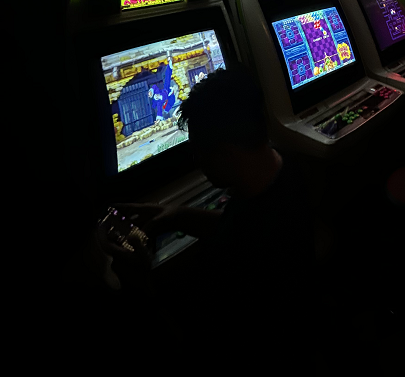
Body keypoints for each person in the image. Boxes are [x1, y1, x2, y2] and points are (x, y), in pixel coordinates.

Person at [117, 67, 314, 353]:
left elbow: (193, 345)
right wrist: (179, 215)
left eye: (200, 153)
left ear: (228, 155)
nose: (197, 163)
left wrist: (138, 281)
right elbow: (242, 225)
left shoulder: (238, 269)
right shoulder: (286, 166)